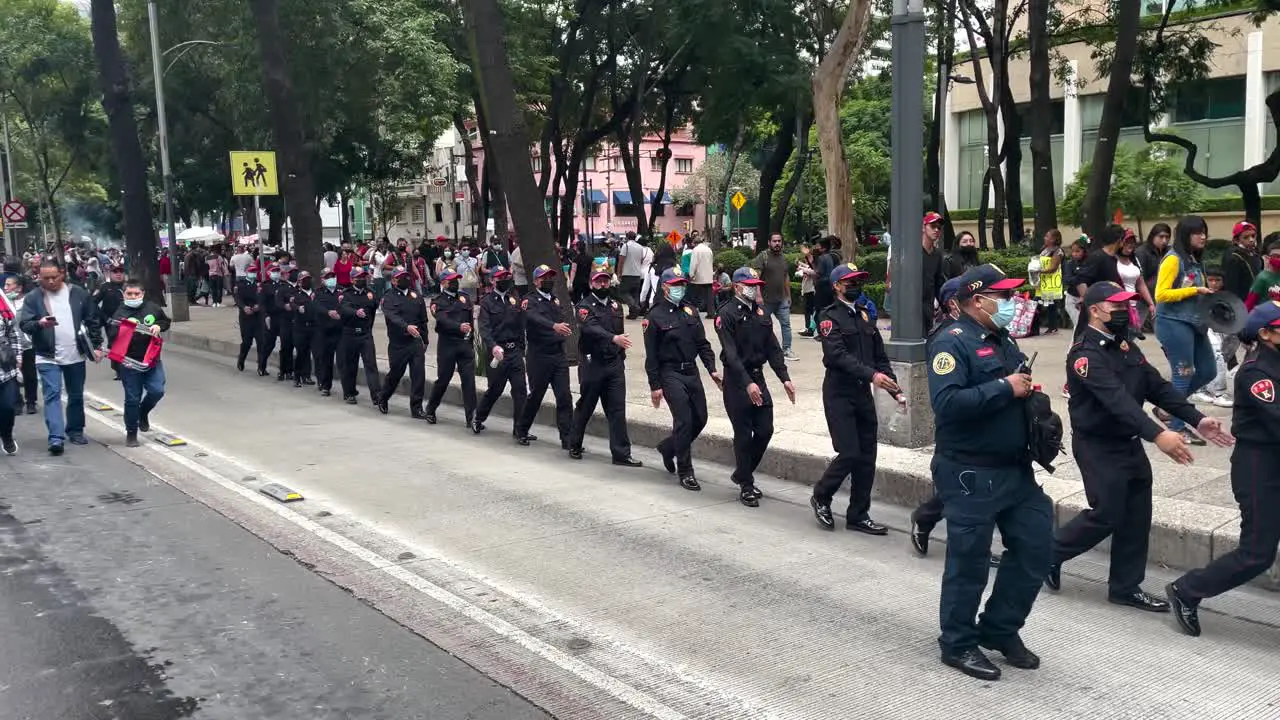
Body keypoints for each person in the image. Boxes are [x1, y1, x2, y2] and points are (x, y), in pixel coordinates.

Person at [1047, 281, 1233, 611]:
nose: (1124, 311)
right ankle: (1047, 555)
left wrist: (1196, 418)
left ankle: (1125, 587)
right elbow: (1117, 402)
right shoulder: (1084, 355)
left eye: (1126, 305)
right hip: (1098, 445)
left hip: (1128, 443)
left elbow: (1156, 387)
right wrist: (1158, 434)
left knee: (1136, 516)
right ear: (1095, 310)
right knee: (1105, 513)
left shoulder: (1126, 347)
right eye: (1117, 306)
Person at [927, 263, 1051, 682]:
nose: (1011, 302)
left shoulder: (1004, 339)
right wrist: (1005, 388)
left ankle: (999, 629)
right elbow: (947, 404)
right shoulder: (950, 342)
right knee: (970, 561)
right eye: (1004, 296)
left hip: (1015, 469)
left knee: (1037, 547)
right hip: (970, 472)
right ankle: (958, 642)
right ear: (978, 300)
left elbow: (1018, 385)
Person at [1166, 300, 1280, 637]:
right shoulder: (1257, 372)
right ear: (1266, 333)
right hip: (1261, 469)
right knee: (1257, 554)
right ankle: (1188, 590)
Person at [809, 262, 899, 533]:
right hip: (839, 392)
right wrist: (873, 376)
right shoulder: (828, 317)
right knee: (849, 452)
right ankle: (822, 495)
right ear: (837, 286)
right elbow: (837, 356)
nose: (856, 285)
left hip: (862, 393)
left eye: (859, 280)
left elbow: (879, 355)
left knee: (867, 456)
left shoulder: (864, 315)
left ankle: (858, 514)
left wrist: (896, 388)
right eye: (850, 281)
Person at [716, 266, 796, 506]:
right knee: (743, 433)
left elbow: (772, 348)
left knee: (765, 429)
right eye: (750, 285)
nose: (755, 289)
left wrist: (785, 378)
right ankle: (746, 484)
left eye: (757, 285)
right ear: (738, 287)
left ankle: (742, 472)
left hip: (757, 377)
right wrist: (747, 383)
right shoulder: (726, 314)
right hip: (737, 380)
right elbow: (730, 354)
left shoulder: (761, 313)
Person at [646, 266, 722, 490]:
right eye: (675, 285)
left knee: (700, 418)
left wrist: (712, 369)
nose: (680, 288)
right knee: (684, 420)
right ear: (665, 288)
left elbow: (702, 344)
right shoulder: (655, 316)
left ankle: (669, 448)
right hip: (669, 373)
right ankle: (685, 470)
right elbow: (651, 355)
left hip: (691, 371)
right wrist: (655, 385)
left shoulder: (691, 311)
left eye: (682, 284)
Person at [18, 259, 103, 455]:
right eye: (44, 278)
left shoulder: (78, 293)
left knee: (75, 395)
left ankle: (75, 430)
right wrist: (39, 323)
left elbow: (92, 320)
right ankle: (56, 438)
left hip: (75, 354)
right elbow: (25, 324)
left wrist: (97, 346)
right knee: (52, 395)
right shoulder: (33, 297)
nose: (49, 282)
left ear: (62, 274)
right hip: (47, 355)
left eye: (53, 277)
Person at [567, 262, 641, 466]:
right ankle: (574, 443)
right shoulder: (583, 307)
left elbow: (621, 330)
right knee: (586, 406)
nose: (602, 284)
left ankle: (621, 453)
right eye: (598, 281)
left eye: (605, 280)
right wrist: (613, 339)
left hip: (614, 364)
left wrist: (620, 354)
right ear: (591, 284)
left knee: (617, 410)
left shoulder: (615, 306)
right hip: (593, 364)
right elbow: (590, 328)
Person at [1153, 215, 1216, 445]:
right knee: (1184, 374)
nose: (1203, 236)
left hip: (1195, 324)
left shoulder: (1194, 259)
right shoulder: (1173, 259)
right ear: (1185, 235)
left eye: (1204, 232)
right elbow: (1161, 294)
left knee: (1208, 371)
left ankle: (1166, 407)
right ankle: (1178, 428)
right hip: (1173, 323)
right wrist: (1195, 290)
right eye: (1198, 232)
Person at [514, 265, 573, 447]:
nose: (547, 280)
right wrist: (553, 326)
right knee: (536, 395)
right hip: (539, 355)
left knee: (564, 396)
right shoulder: (529, 300)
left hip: (558, 354)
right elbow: (533, 317)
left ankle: (567, 437)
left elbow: (563, 319)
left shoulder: (555, 300)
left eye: (550, 277)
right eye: (543, 277)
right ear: (535, 281)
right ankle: (522, 429)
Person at [108, 280, 171, 447]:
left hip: (151, 359)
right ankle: (131, 432)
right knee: (132, 398)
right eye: (130, 294)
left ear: (142, 294)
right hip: (129, 362)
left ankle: (143, 413)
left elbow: (165, 322)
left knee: (157, 390)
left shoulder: (152, 308)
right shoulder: (120, 313)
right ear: (124, 294)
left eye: (137, 294)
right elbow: (112, 339)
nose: (133, 297)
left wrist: (158, 326)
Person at [474, 266, 529, 437]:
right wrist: (493, 346)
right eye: (500, 278)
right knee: (496, 389)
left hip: (515, 352)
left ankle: (520, 429)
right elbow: (484, 328)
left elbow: (521, 324)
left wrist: (521, 347)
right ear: (492, 281)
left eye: (506, 276)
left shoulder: (514, 299)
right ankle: (479, 418)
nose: (504, 280)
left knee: (520, 390)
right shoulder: (487, 302)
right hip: (498, 352)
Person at [424, 270, 477, 425]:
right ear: (443, 283)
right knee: (444, 379)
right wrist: (458, 327)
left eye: (456, 280)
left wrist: (471, 339)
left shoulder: (464, 298)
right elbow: (441, 320)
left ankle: (471, 417)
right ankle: (431, 409)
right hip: (448, 345)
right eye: (451, 280)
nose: (454, 283)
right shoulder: (437, 301)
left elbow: (470, 321)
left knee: (469, 381)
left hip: (464, 344)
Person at [375, 269, 428, 418]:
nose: (404, 280)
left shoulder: (416, 295)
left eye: (406, 277)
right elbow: (392, 316)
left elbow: (423, 320)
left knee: (419, 375)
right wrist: (406, 326)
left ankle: (416, 408)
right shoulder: (388, 298)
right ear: (393, 281)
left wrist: (425, 339)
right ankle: (383, 397)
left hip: (416, 342)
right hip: (398, 343)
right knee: (396, 374)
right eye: (400, 278)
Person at [338, 267, 381, 405]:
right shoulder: (346, 294)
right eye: (358, 277)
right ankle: (349, 392)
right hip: (350, 333)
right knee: (350, 365)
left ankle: (376, 395)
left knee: (371, 365)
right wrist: (355, 312)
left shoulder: (370, 293)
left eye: (364, 277)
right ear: (352, 280)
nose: (362, 280)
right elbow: (343, 308)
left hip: (365, 333)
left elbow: (374, 308)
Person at [750, 234, 796, 361]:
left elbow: (786, 277)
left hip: (781, 299)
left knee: (786, 324)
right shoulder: (763, 257)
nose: (777, 243)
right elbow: (756, 277)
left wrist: (788, 295)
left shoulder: (783, 258)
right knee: (762, 325)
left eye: (779, 241)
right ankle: (760, 350)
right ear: (769, 242)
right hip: (765, 300)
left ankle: (786, 349)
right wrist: (758, 295)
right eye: (774, 241)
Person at [3, 276, 36, 416]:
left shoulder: (29, 301)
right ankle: (17, 401)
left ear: (19, 287)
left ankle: (31, 402)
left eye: (9, 285)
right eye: (5, 285)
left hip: (27, 344)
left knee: (30, 374)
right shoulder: (4, 303)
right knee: (12, 375)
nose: (5, 287)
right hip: (9, 347)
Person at [0, 279, 25, 454]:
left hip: (4, 367)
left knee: (8, 406)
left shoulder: (2, 305)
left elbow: (13, 333)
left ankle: (6, 435)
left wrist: (17, 356)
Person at [311, 269, 343, 397]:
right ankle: (325, 385)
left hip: (339, 331)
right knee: (325, 360)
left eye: (332, 276)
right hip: (324, 331)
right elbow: (316, 307)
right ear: (323, 280)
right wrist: (328, 312)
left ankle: (347, 388)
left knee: (343, 361)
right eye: (328, 277)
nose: (331, 279)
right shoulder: (317, 293)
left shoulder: (341, 291)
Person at [92, 264, 126, 379]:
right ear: (110, 274)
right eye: (115, 272)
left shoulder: (128, 287)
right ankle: (118, 370)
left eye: (120, 272)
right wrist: (104, 316)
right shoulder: (105, 287)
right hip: (111, 322)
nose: (118, 274)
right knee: (114, 345)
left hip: (128, 321)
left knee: (129, 345)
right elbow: (93, 302)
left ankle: (129, 368)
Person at [919, 212, 950, 331]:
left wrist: (946, 307)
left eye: (939, 227)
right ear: (923, 227)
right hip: (911, 307)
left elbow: (938, 282)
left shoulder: (937, 254)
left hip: (928, 306)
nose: (936, 230)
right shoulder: (913, 252)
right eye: (932, 226)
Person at [233, 263, 264, 372]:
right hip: (246, 317)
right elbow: (237, 298)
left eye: (254, 272)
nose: (253, 274)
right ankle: (241, 360)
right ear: (246, 272)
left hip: (258, 317)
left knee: (261, 341)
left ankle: (261, 366)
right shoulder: (240, 285)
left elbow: (263, 298)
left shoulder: (259, 285)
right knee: (247, 342)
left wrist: (259, 306)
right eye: (251, 272)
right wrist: (244, 307)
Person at [289, 271, 316, 387]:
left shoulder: (314, 293)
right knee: (301, 352)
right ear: (299, 282)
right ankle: (297, 376)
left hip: (313, 327)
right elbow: (292, 304)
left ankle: (307, 375)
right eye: (304, 280)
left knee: (309, 352)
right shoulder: (296, 293)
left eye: (308, 279)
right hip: (300, 327)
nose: (307, 281)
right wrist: (297, 308)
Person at [272, 266, 299, 382]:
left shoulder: (300, 287)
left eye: (295, 273)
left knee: (299, 347)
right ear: (286, 275)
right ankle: (284, 371)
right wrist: (284, 306)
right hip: (286, 321)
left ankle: (296, 372)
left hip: (298, 321)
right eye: (291, 273)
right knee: (286, 347)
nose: (293, 275)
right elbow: (277, 302)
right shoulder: (282, 288)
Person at [1035, 230, 1064, 334]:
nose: (1045, 238)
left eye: (1047, 236)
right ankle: (1036, 326)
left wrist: (1038, 271)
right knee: (1038, 303)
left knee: (1049, 305)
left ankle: (1052, 326)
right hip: (1043, 281)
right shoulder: (1044, 249)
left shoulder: (1057, 251)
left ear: (1054, 239)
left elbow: (1053, 268)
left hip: (1051, 283)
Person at [1244, 236, 1280, 310]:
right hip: (1267, 317)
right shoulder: (1262, 278)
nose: (1278, 259)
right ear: (1268, 257)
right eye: (1274, 256)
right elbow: (1249, 303)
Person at [687, 234, 714, 317]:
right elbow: (711, 261)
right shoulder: (709, 249)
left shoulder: (696, 250)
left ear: (695, 243)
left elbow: (693, 264)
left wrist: (691, 274)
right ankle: (711, 313)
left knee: (695, 296)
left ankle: (694, 312)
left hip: (698, 277)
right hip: (709, 276)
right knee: (709, 296)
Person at [796, 245, 817, 337]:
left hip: (811, 290)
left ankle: (810, 328)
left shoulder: (813, 266)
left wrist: (801, 268)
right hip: (807, 290)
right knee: (809, 310)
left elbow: (810, 270)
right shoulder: (808, 266)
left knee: (811, 310)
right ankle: (809, 327)